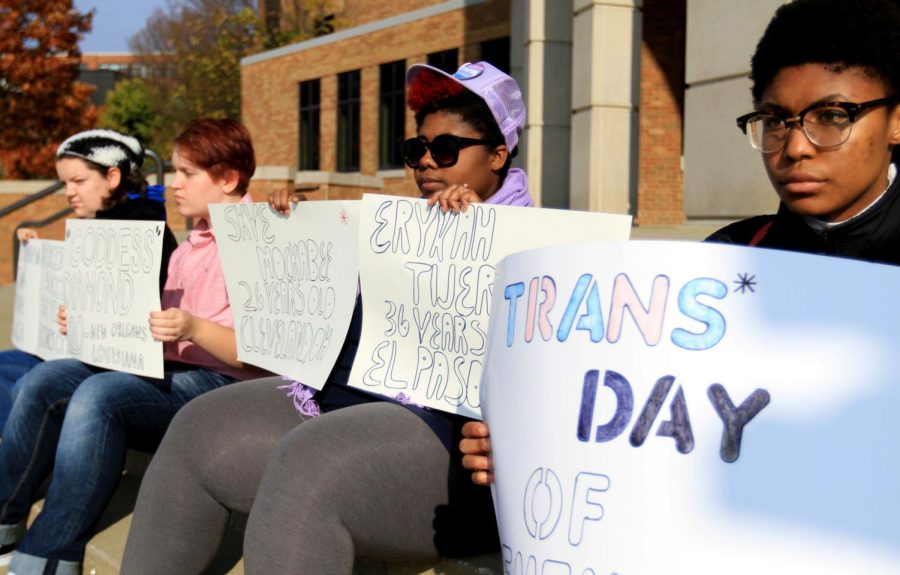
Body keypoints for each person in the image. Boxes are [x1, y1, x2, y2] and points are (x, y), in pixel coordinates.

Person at [460, 0, 900, 485]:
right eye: (776, 120)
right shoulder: (715, 265)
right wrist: (525, 438)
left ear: (896, 121)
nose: (795, 146)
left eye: (832, 116)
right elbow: (643, 415)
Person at [122, 61, 531, 574]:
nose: (426, 162)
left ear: (497, 155)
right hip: (343, 401)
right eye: (416, 150)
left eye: (444, 150)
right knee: (199, 425)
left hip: (452, 452)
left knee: (309, 461)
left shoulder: (540, 251)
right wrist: (294, 236)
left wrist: (485, 232)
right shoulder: (400, 230)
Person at [0, 119, 268, 574]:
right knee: (46, 378)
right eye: (175, 171)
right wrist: (87, 319)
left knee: (99, 396)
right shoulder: (189, 247)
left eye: (187, 173)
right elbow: (150, 327)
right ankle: (4, 521)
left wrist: (192, 327)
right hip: (170, 372)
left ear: (227, 178)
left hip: (225, 388)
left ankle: (50, 552)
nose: (174, 184)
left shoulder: (262, 236)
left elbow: (265, 349)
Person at [0, 130, 178, 430]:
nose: (69, 192)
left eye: (79, 181)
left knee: (25, 381)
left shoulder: (139, 226)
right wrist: (36, 248)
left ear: (112, 177)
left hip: (114, 364)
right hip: (74, 351)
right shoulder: (101, 223)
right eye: (65, 183)